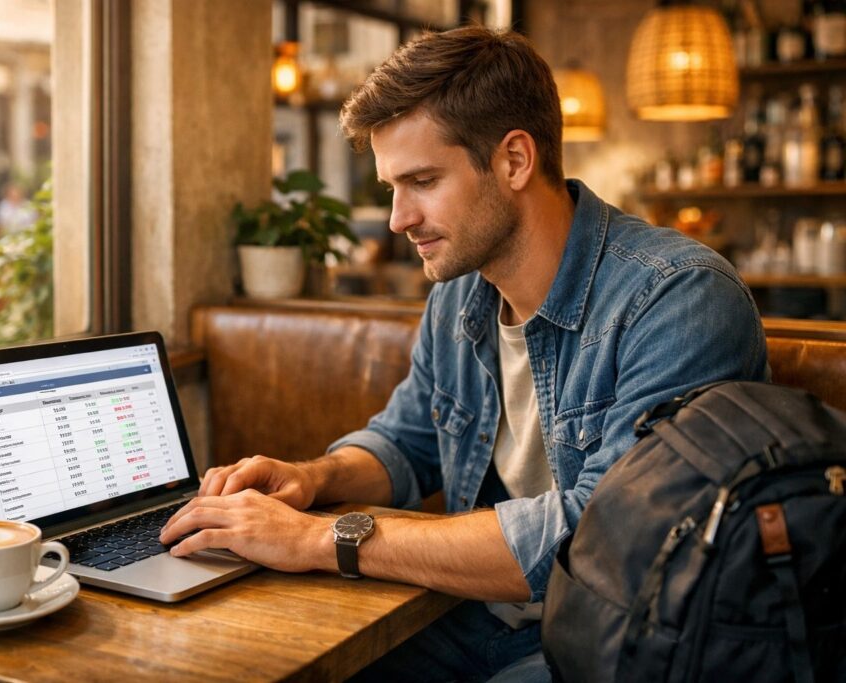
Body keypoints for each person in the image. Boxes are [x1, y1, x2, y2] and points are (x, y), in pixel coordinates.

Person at [161, 26, 768, 681]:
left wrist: (317, 537)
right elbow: (407, 441)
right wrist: (312, 479)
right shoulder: (460, 297)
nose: (397, 219)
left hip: (611, 645)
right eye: (393, 187)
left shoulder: (678, 297)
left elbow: (597, 538)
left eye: (421, 180)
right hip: (468, 616)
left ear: (514, 160)